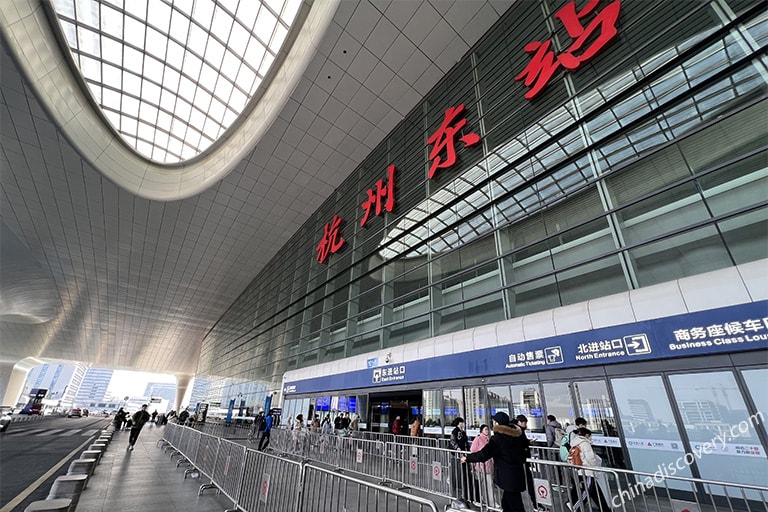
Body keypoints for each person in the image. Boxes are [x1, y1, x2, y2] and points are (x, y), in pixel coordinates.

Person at [462, 412, 527, 512]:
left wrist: (468, 458)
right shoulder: (517, 436)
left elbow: (484, 454)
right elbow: (523, 455)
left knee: (514, 505)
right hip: (517, 475)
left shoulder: (498, 438)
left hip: (507, 477)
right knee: (509, 503)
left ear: (497, 424)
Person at [569, 428, 611, 511]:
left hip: (579, 470)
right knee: (587, 492)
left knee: (596, 492)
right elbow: (590, 458)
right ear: (587, 435)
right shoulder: (585, 443)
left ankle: (605, 509)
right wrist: (595, 467)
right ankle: (576, 507)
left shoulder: (574, 443)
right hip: (587, 471)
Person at [513, 415, 538, 509]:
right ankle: (534, 504)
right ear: (519, 422)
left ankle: (533, 504)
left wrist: (528, 442)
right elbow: (520, 443)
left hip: (521, 461)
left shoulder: (518, 430)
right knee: (527, 483)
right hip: (521, 461)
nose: (526, 424)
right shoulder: (517, 431)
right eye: (524, 422)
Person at [471, 424, 498, 507]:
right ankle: (483, 500)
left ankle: (492, 502)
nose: (487, 431)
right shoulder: (478, 439)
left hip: (489, 466)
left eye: (488, 429)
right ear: (481, 430)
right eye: (486, 429)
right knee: (482, 485)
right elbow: (473, 450)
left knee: (489, 484)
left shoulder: (489, 440)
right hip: (481, 467)